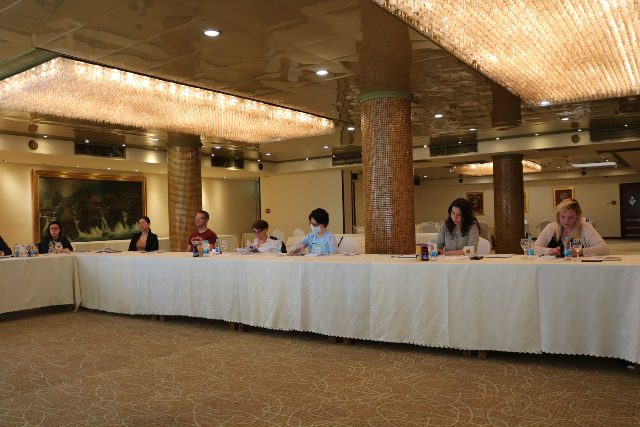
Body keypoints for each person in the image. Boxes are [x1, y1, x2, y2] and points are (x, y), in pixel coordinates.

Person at [534, 198, 608, 257]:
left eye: (570, 217)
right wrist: (549, 251)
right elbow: (534, 248)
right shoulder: (551, 227)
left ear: (577, 217)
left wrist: (580, 251)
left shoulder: (585, 227)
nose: (566, 221)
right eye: (563, 217)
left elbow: (604, 249)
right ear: (558, 216)